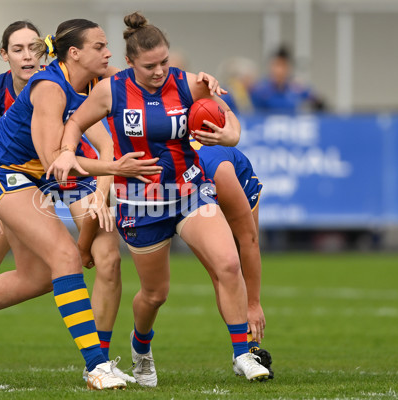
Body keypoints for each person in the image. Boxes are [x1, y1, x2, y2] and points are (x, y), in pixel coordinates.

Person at [0, 18, 165, 390]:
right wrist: (114, 167)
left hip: (34, 177)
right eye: (100, 46)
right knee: (63, 258)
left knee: (38, 277)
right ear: (75, 53)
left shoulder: (88, 80)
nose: (108, 52)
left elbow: (148, 75)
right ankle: (96, 365)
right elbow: (55, 158)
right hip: (2, 174)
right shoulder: (50, 88)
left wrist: (200, 85)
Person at [47, 12, 271, 385]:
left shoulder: (188, 84)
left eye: (164, 62)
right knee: (155, 294)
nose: (159, 71)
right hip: (141, 202)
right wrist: (68, 150)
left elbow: (228, 117)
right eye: (150, 65)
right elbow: (74, 124)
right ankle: (141, 346)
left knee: (228, 264)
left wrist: (230, 136)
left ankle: (241, 354)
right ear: (131, 62)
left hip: (189, 189)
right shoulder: (110, 90)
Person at [192, 140, 274, 379]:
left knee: (236, 254)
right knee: (221, 270)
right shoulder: (173, 171)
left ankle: (247, 350)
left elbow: (249, 241)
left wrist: (253, 303)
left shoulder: (219, 170)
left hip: (234, 182)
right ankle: (244, 348)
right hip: (191, 195)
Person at [250, 45, 325, 113]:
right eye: (276, 65)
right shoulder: (260, 89)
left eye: (283, 65)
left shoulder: (298, 88)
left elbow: (319, 103)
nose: (279, 70)